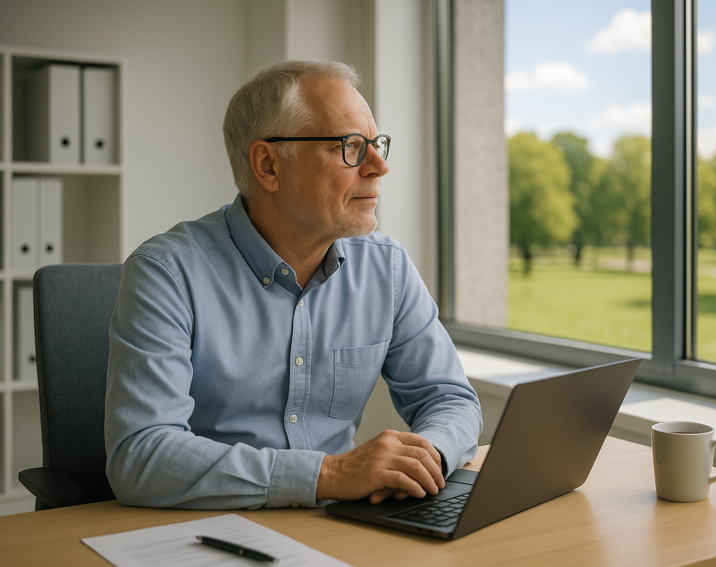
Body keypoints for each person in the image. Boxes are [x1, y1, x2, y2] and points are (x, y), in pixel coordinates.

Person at [104, 60, 482, 509]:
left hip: (340, 526)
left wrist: (426, 458)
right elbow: (142, 456)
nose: (379, 166)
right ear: (268, 165)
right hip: (206, 532)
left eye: (377, 145)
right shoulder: (166, 273)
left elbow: (450, 399)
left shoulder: (388, 268)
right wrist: (330, 474)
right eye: (350, 146)